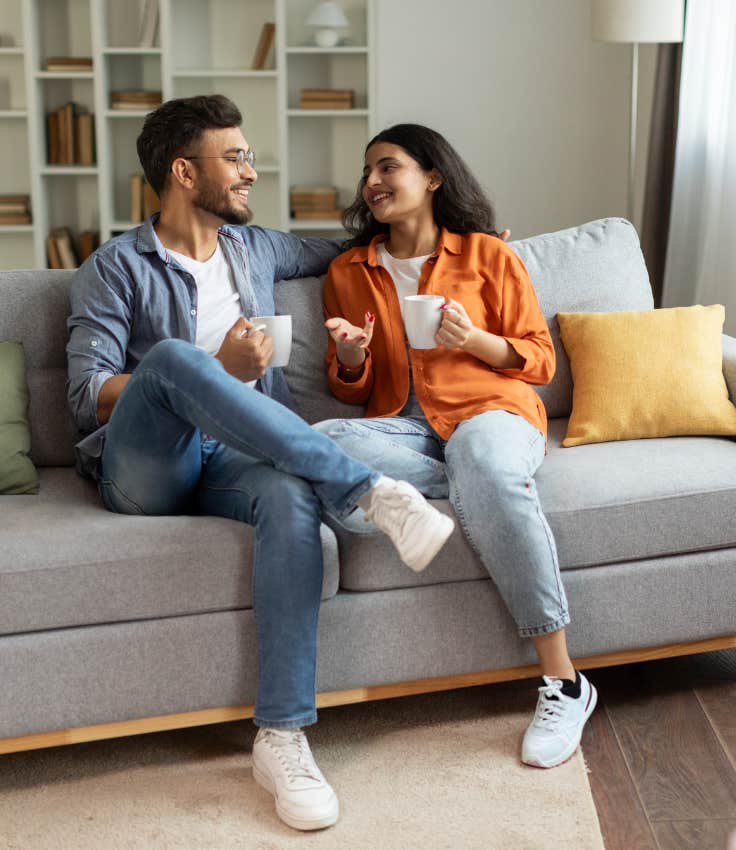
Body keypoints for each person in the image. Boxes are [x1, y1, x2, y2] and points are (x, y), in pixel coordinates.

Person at [66, 96, 455, 832]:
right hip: (147, 468)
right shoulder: (114, 268)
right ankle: (370, 492)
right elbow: (87, 398)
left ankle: (281, 735)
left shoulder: (256, 250)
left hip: (239, 458)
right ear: (184, 172)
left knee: (287, 496)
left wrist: (455, 231)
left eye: (249, 156)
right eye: (235, 158)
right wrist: (215, 365)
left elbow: (348, 246)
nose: (251, 171)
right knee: (178, 362)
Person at [314, 123, 597, 769]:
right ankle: (479, 482)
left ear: (432, 177)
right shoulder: (348, 271)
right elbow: (351, 393)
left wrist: (472, 341)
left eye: (388, 167)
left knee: (481, 456)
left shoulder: (488, 257)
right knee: (319, 440)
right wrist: (351, 357)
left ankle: (564, 681)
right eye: (368, 173)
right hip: (404, 424)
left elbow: (538, 360)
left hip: (490, 409)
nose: (373, 183)